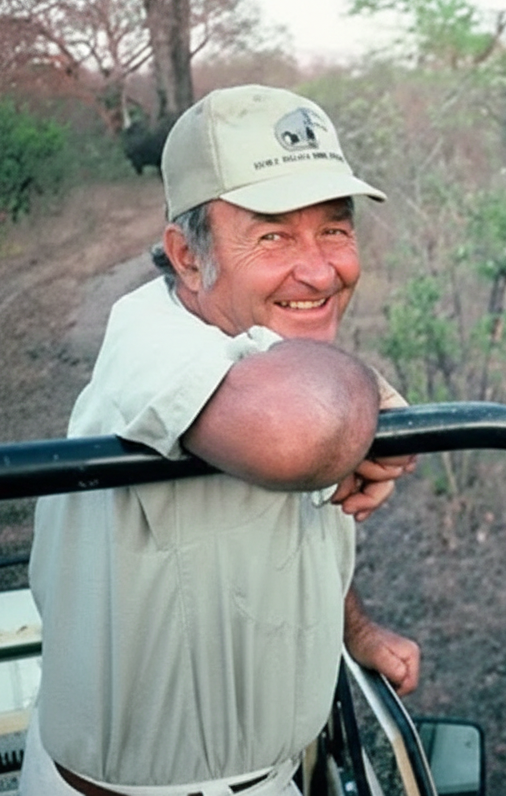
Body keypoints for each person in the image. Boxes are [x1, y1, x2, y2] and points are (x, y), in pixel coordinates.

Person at [20, 84, 421, 796]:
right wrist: (370, 398)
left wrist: (352, 628)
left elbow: (287, 517)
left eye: (334, 228)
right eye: (272, 235)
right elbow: (304, 432)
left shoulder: (257, 349)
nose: (322, 270)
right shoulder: (152, 345)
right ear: (187, 256)